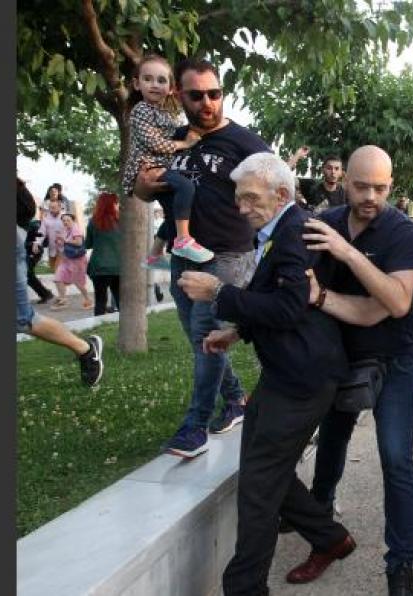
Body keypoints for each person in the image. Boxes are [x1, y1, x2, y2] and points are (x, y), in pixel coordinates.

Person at [176, 153, 353, 596]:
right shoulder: (279, 229)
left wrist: (219, 292)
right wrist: (237, 332)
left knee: (258, 487)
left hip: (304, 378)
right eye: (239, 198)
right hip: (286, 373)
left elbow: (291, 307)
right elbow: (277, 300)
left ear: (281, 195)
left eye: (250, 198)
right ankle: (331, 538)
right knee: (265, 471)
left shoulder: (295, 232)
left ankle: (245, 588)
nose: (241, 207)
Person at [287, 145, 413, 596]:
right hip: (340, 356)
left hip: (396, 359)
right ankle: (323, 535)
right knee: (330, 446)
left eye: (380, 188)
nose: (370, 196)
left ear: (391, 185)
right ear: (344, 180)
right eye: (361, 186)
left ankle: (400, 565)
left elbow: (396, 302)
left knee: (396, 458)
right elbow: (295, 286)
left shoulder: (402, 232)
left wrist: (346, 254)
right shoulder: (323, 223)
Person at [133, 57, 271, 458]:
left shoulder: (245, 142)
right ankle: (235, 400)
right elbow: (144, 190)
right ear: (179, 95)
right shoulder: (173, 139)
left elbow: (278, 189)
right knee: (198, 339)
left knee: (206, 332)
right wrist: (145, 187)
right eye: (197, 95)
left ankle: (195, 426)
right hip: (184, 253)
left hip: (228, 254)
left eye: (214, 93)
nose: (207, 102)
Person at [121, 54, 212, 268]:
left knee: (175, 212)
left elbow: (174, 128)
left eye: (161, 80)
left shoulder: (163, 113)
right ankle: (182, 240)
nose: (155, 85)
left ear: (171, 88)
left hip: (160, 166)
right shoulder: (141, 110)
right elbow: (153, 142)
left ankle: (154, 255)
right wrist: (184, 144)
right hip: (149, 166)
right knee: (186, 187)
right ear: (137, 84)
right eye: (148, 79)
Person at [16, 179, 104, 386]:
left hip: (72, 256)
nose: (54, 207)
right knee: (60, 279)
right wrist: (37, 242)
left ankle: (85, 349)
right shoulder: (48, 218)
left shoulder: (68, 220)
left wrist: (64, 239)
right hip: (59, 254)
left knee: (22, 319)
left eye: (57, 205)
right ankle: (65, 299)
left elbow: (80, 240)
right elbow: (41, 230)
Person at [86, 192, 123, 315]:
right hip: (119, 266)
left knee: (100, 300)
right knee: (121, 300)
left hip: (99, 267)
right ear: (113, 204)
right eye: (116, 203)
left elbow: (88, 244)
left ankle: (99, 323)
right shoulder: (122, 222)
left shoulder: (93, 221)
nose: (117, 205)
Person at [50, 213, 93, 311]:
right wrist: (59, 242)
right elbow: (64, 244)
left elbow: (79, 242)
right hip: (66, 259)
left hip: (77, 260)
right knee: (58, 278)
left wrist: (64, 240)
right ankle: (63, 300)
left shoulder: (75, 229)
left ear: (73, 221)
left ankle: (88, 300)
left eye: (68, 220)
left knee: (78, 282)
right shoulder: (65, 230)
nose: (65, 222)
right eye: (64, 220)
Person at [288, 146, 348, 211]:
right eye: (329, 168)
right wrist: (297, 155)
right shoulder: (312, 186)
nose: (333, 172)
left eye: (336, 169)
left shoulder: (345, 194)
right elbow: (284, 179)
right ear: (322, 170)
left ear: (341, 172)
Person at [37, 195, 67, 288]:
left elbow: (72, 230)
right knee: (53, 267)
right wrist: (37, 243)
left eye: (54, 207)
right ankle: (62, 281)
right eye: (50, 207)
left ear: (59, 207)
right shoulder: (46, 219)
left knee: (58, 269)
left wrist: (64, 238)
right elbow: (42, 232)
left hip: (64, 247)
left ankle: (62, 291)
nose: (51, 209)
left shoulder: (65, 217)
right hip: (52, 248)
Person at [23, 216, 54, 304]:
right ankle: (45, 294)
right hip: (25, 251)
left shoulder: (33, 224)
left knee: (28, 273)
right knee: (27, 274)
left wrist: (33, 243)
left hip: (33, 251)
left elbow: (42, 238)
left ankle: (45, 294)